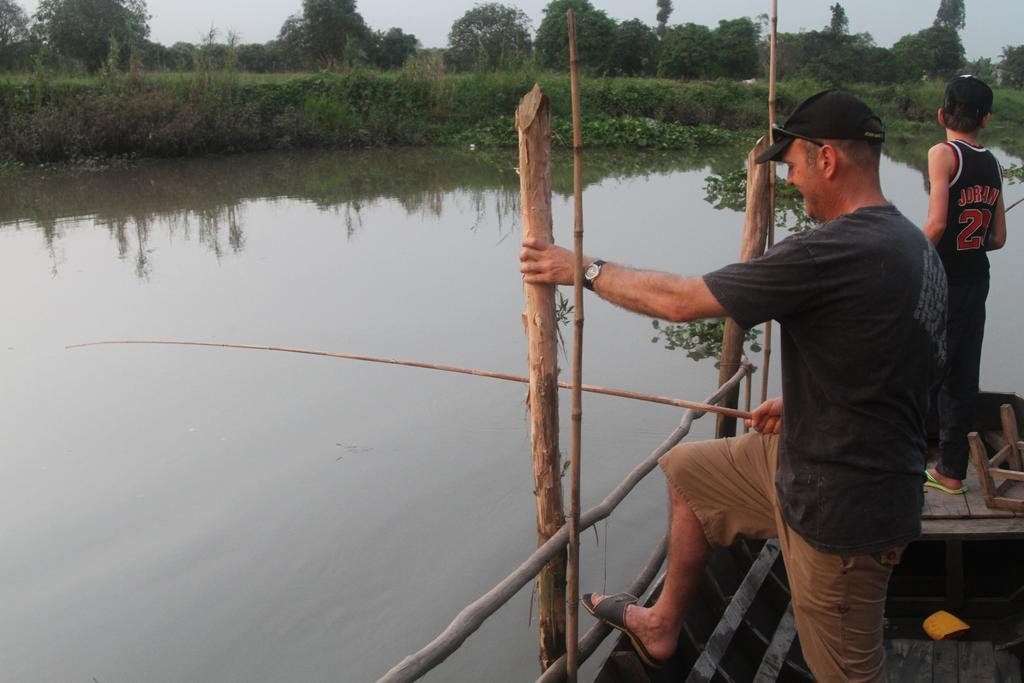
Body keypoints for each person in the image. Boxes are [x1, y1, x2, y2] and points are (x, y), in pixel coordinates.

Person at [519, 90, 948, 681]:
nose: (792, 180)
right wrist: (803, 403)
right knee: (690, 474)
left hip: (844, 512)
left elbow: (681, 302)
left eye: (793, 165)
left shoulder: (835, 249)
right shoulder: (911, 247)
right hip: (823, 462)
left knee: (849, 673)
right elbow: (909, 367)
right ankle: (663, 625)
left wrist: (582, 270)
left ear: (827, 159)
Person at [923, 75, 1007, 496]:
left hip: (943, 283)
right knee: (962, 376)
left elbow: (937, 223)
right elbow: (997, 239)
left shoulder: (943, 153)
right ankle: (952, 471)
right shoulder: (993, 164)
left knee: (924, 370)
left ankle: (899, 464)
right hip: (976, 282)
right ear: (986, 120)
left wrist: (907, 254)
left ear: (942, 114)